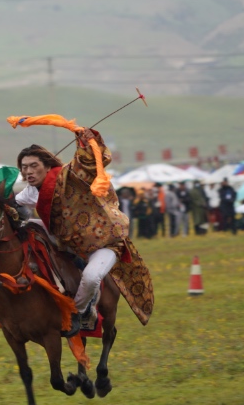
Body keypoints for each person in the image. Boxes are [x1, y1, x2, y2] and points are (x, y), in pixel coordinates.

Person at [9, 114, 153, 335]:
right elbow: (11, 207)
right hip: (66, 239)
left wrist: (87, 140)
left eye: (33, 166)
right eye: (24, 167)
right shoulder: (30, 192)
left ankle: (79, 313)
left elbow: (88, 162)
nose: (27, 171)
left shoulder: (70, 176)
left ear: (47, 166)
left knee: (92, 277)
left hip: (104, 244)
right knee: (25, 225)